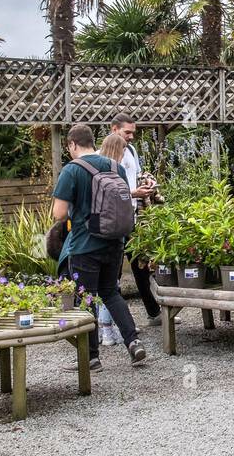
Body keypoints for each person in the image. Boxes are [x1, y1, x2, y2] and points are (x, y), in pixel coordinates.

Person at [51, 123, 146, 369]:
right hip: (115, 242)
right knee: (111, 292)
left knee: (86, 299)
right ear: (93, 141)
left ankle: (91, 357)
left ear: (72, 144)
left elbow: (59, 214)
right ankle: (133, 342)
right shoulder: (115, 167)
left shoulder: (72, 170)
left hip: (85, 245)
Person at [105, 114, 163, 325]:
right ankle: (110, 323)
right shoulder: (105, 154)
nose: (130, 137)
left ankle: (153, 312)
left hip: (131, 215)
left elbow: (136, 174)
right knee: (114, 269)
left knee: (141, 264)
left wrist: (147, 182)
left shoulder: (130, 151)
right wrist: (133, 193)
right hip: (113, 218)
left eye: (133, 133)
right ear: (114, 130)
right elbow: (108, 190)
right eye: (126, 132)